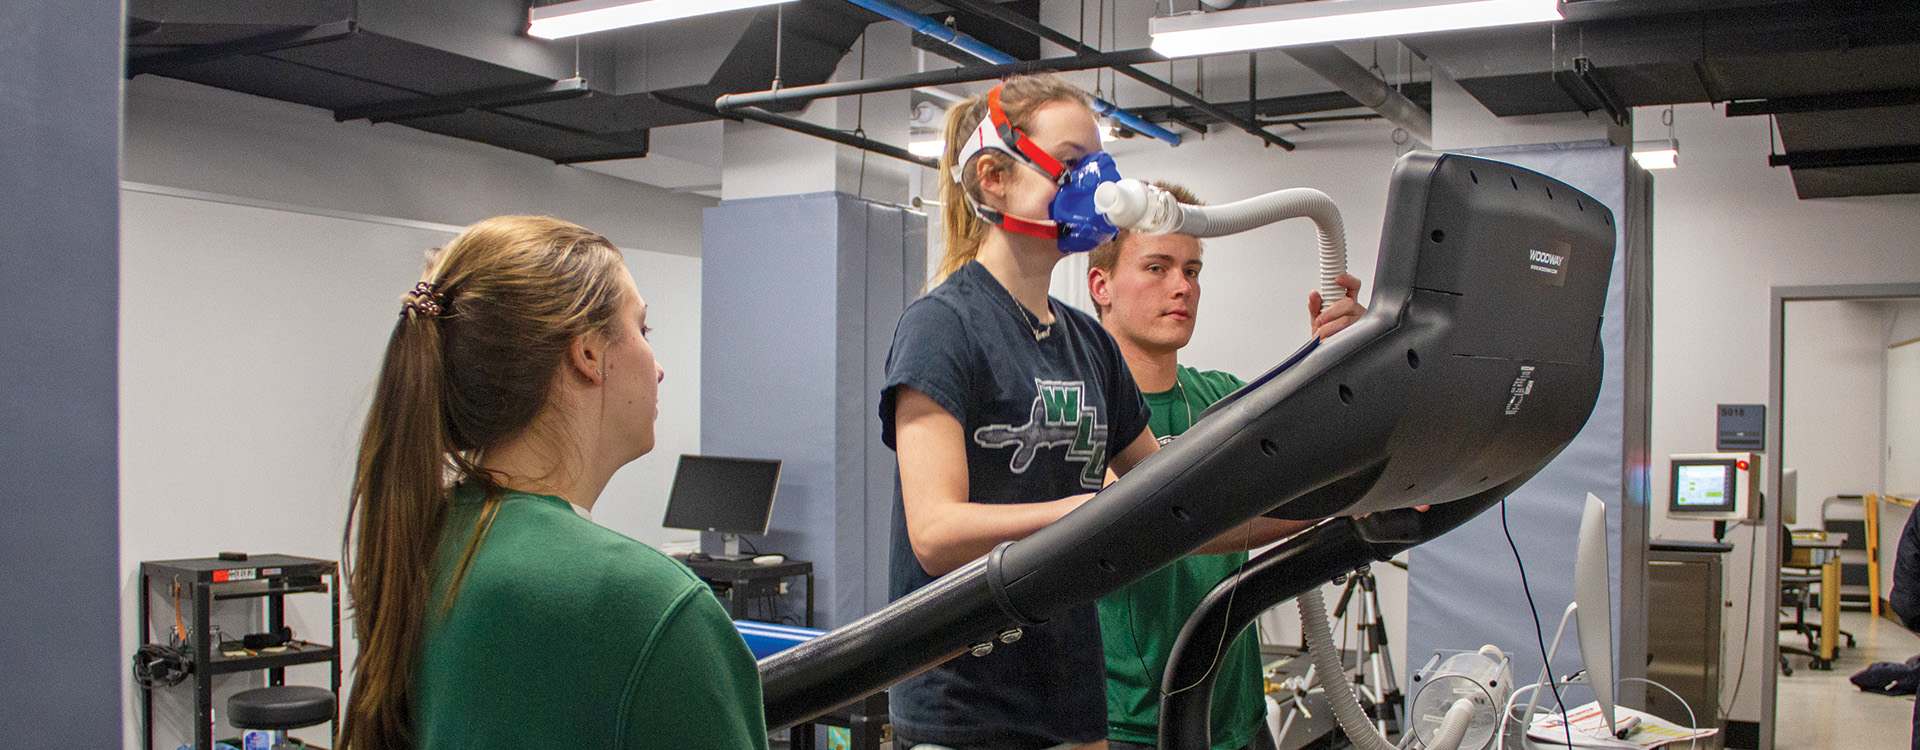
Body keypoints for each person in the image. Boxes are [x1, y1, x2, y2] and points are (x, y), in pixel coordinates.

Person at [340, 216, 767, 750]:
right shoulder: (653, 610)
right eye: (642, 330)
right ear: (587, 352)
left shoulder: (424, 545)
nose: (657, 368)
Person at [881, 74, 1161, 750]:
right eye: (1072, 164)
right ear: (994, 177)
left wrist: (1327, 490)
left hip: (1067, 693)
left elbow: (1166, 495)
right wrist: (1093, 510)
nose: (1096, 184)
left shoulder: (1087, 339)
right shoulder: (943, 326)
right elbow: (937, 533)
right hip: (964, 703)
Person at [1086, 183, 1366, 750]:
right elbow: (1171, 529)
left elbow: (1327, 462)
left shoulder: (1227, 402)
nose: (1181, 286)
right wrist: (1327, 506)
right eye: (1158, 267)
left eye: (1192, 269)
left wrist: (1358, 362)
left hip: (1236, 721)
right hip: (1127, 730)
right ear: (1102, 285)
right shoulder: (1081, 411)